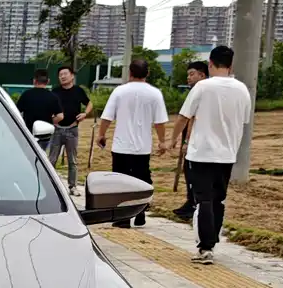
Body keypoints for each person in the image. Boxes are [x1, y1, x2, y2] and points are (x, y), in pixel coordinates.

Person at [171, 46, 252, 264]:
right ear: (231, 65)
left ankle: (205, 248)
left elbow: (183, 117)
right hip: (227, 155)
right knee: (218, 200)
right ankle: (212, 242)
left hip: (201, 154)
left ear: (210, 63)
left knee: (203, 200)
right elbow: (244, 120)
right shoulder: (242, 90)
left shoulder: (202, 87)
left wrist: (173, 139)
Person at [95, 58, 169, 228]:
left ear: (130, 72)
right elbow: (159, 122)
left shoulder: (119, 92)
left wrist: (101, 135)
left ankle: (122, 218)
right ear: (148, 73)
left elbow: (107, 117)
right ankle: (140, 211)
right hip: (142, 148)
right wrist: (162, 141)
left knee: (120, 182)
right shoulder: (155, 93)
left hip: (121, 146)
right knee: (142, 180)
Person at [173, 60, 210, 220]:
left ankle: (193, 204)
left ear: (202, 75)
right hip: (197, 139)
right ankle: (191, 202)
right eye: (188, 74)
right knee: (190, 172)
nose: (188, 77)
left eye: (192, 74)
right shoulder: (202, 90)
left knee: (192, 173)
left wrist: (186, 142)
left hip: (195, 139)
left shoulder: (201, 91)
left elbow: (190, 118)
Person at [48, 65, 92, 197]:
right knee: (52, 159)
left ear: (72, 76)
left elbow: (89, 103)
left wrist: (85, 114)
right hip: (57, 130)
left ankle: (73, 186)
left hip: (72, 129)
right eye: (60, 75)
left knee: (73, 160)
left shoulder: (78, 91)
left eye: (65, 74)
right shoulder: (55, 91)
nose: (62, 76)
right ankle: (50, 185)